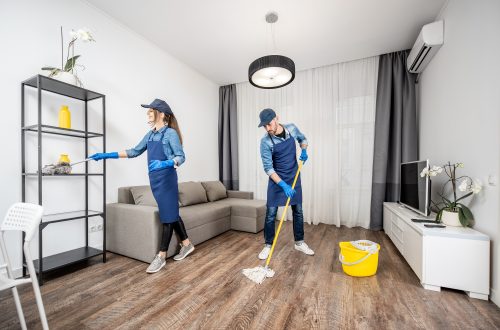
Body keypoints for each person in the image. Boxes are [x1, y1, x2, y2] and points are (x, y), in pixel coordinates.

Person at [90, 98, 195, 273]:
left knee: (167, 217)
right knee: (171, 213)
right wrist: (107, 155)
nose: (147, 114)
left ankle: (160, 257)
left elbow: (181, 156)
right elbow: (134, 151)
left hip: (167, 179)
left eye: (150, 111)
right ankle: (187, 244)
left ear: (161, 114)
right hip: (154, 180)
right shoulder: (151, 134)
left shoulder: (170, 134)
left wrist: (166, 164)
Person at [258, 108, 314, 260]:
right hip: (277, 180)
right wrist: (283, 185)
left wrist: (304, 150)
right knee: (270, 214)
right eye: (265, 126)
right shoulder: (265, 142)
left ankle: (299, 242)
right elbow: (268, 168)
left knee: (298, 210)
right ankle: (268, 245)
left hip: (294, 175)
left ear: (277, 118)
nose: (268, 128)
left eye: (269, 124)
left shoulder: (291, 128)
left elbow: (303, 140)